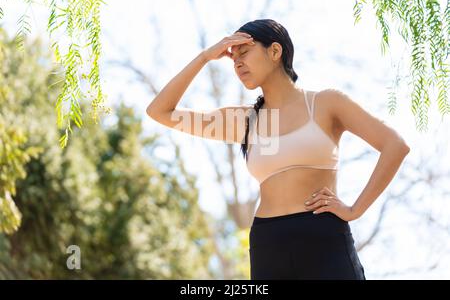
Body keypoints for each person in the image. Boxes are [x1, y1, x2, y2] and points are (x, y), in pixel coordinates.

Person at [146, 19, 410, 280]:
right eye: (232, 57)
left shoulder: (326, 103)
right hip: (268, 244)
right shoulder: (244, 121)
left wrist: (355, 210)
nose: (237, 63)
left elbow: (395, 145)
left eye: (244, 52)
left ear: (274, 51)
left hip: (323, 238)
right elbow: (160, 111)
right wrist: (205, 57)